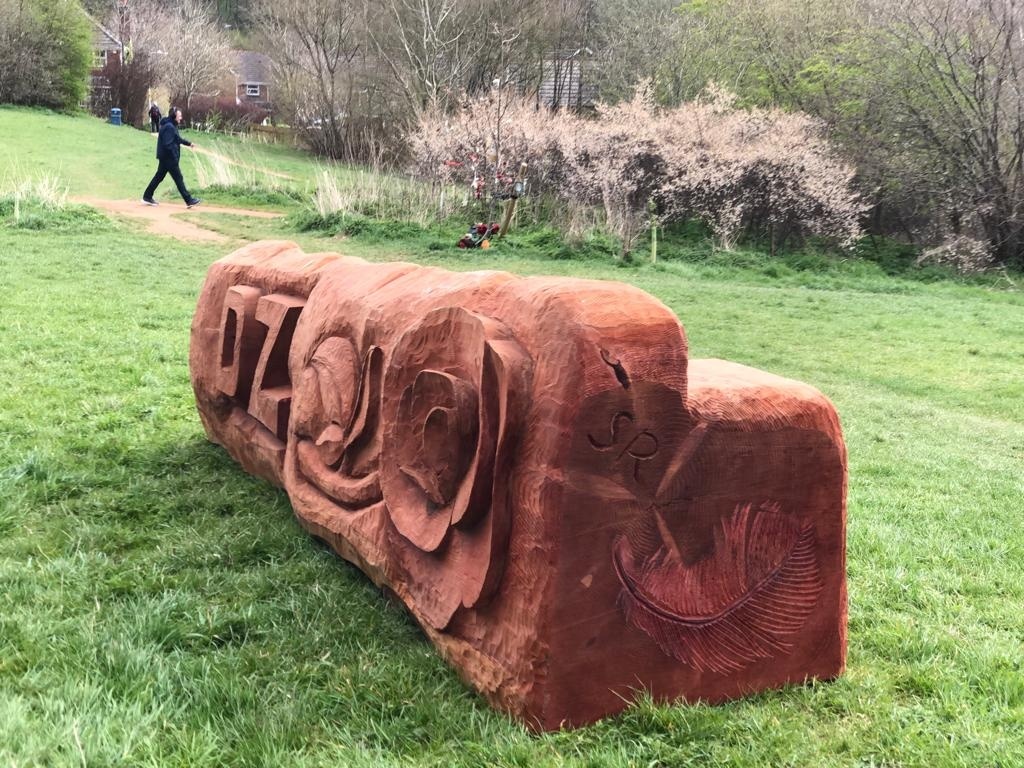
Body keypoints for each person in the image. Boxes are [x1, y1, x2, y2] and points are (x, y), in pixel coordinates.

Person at [141, 107, 202, 208]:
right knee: (179, 178)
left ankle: (147, 196)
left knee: (159, 177)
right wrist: (174, 155)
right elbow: (167, 144)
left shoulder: (170, 126)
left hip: (165, 158)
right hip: (169, 158)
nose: (181, 118)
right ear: (174, 116)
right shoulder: (169, 127)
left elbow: (177, 139)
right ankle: (189, 200)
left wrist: (189, 143)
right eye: (179, 116)